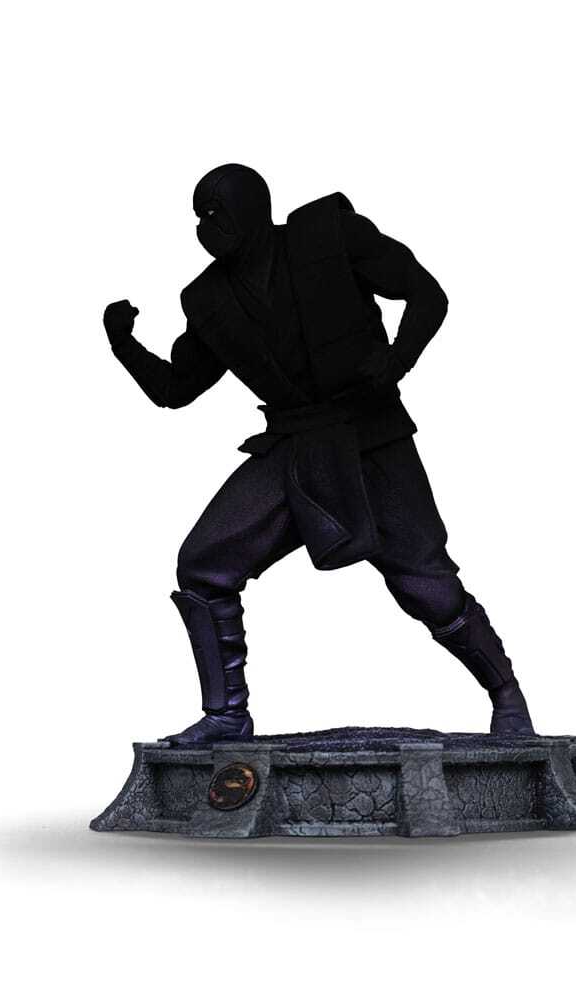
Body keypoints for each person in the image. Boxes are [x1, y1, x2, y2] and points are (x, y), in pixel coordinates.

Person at [103, 164, 534, 743]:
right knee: (204, 563)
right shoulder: (208, 299)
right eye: (200, 215)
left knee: (427, 585)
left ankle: (506, 695)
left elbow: (425, 293)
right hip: (294, 445)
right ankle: (227, 714)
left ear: (254, 208)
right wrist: (125, 345)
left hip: (368, 436)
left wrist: (396, 361)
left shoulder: (328, 235)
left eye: (218, 211)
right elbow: (176, 389)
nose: (208, 225)